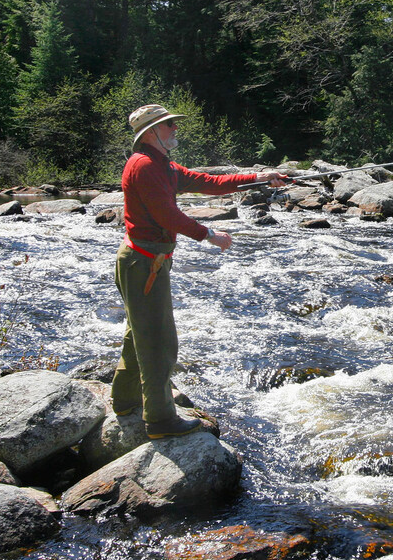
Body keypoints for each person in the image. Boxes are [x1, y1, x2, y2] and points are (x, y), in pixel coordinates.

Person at [111, 103, 287, 439]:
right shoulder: (145, 166)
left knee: (140, 334)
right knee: (159, 342)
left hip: (146, 260)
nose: (175, 129)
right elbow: (167, 216)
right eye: (169, 125)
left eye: (174, 124)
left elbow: (209, 182)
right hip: (143, 263)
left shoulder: (161, 164)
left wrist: (260, 177)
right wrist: (209, 235)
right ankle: (160, 420)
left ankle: (123, 400)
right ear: (151, 133)